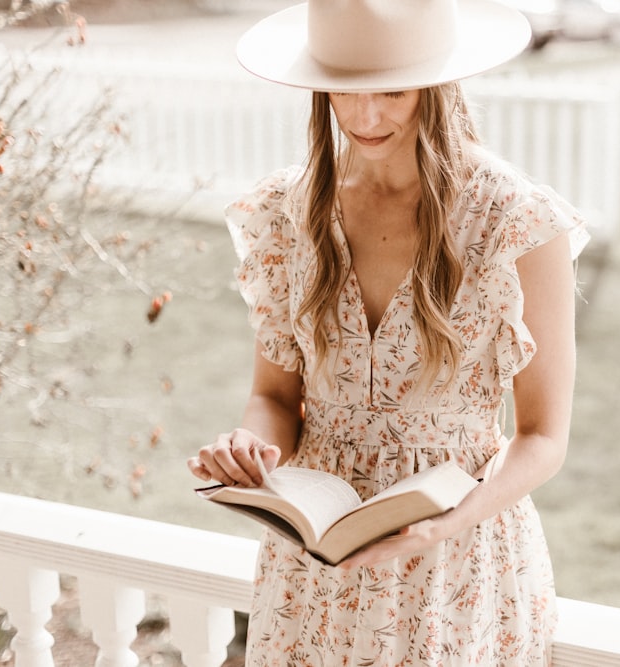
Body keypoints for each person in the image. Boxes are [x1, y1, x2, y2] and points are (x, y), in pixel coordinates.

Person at [187, 0, 589, 664]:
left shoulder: (513, 221)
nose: (366, 116)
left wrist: (447, 523)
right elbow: (276, 398)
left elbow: (544, 436)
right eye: (346, 90)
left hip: (456, 563)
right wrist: (250, 452)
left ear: (435, 84)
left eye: (392, 91)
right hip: (315, 569)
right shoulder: (289, 213)